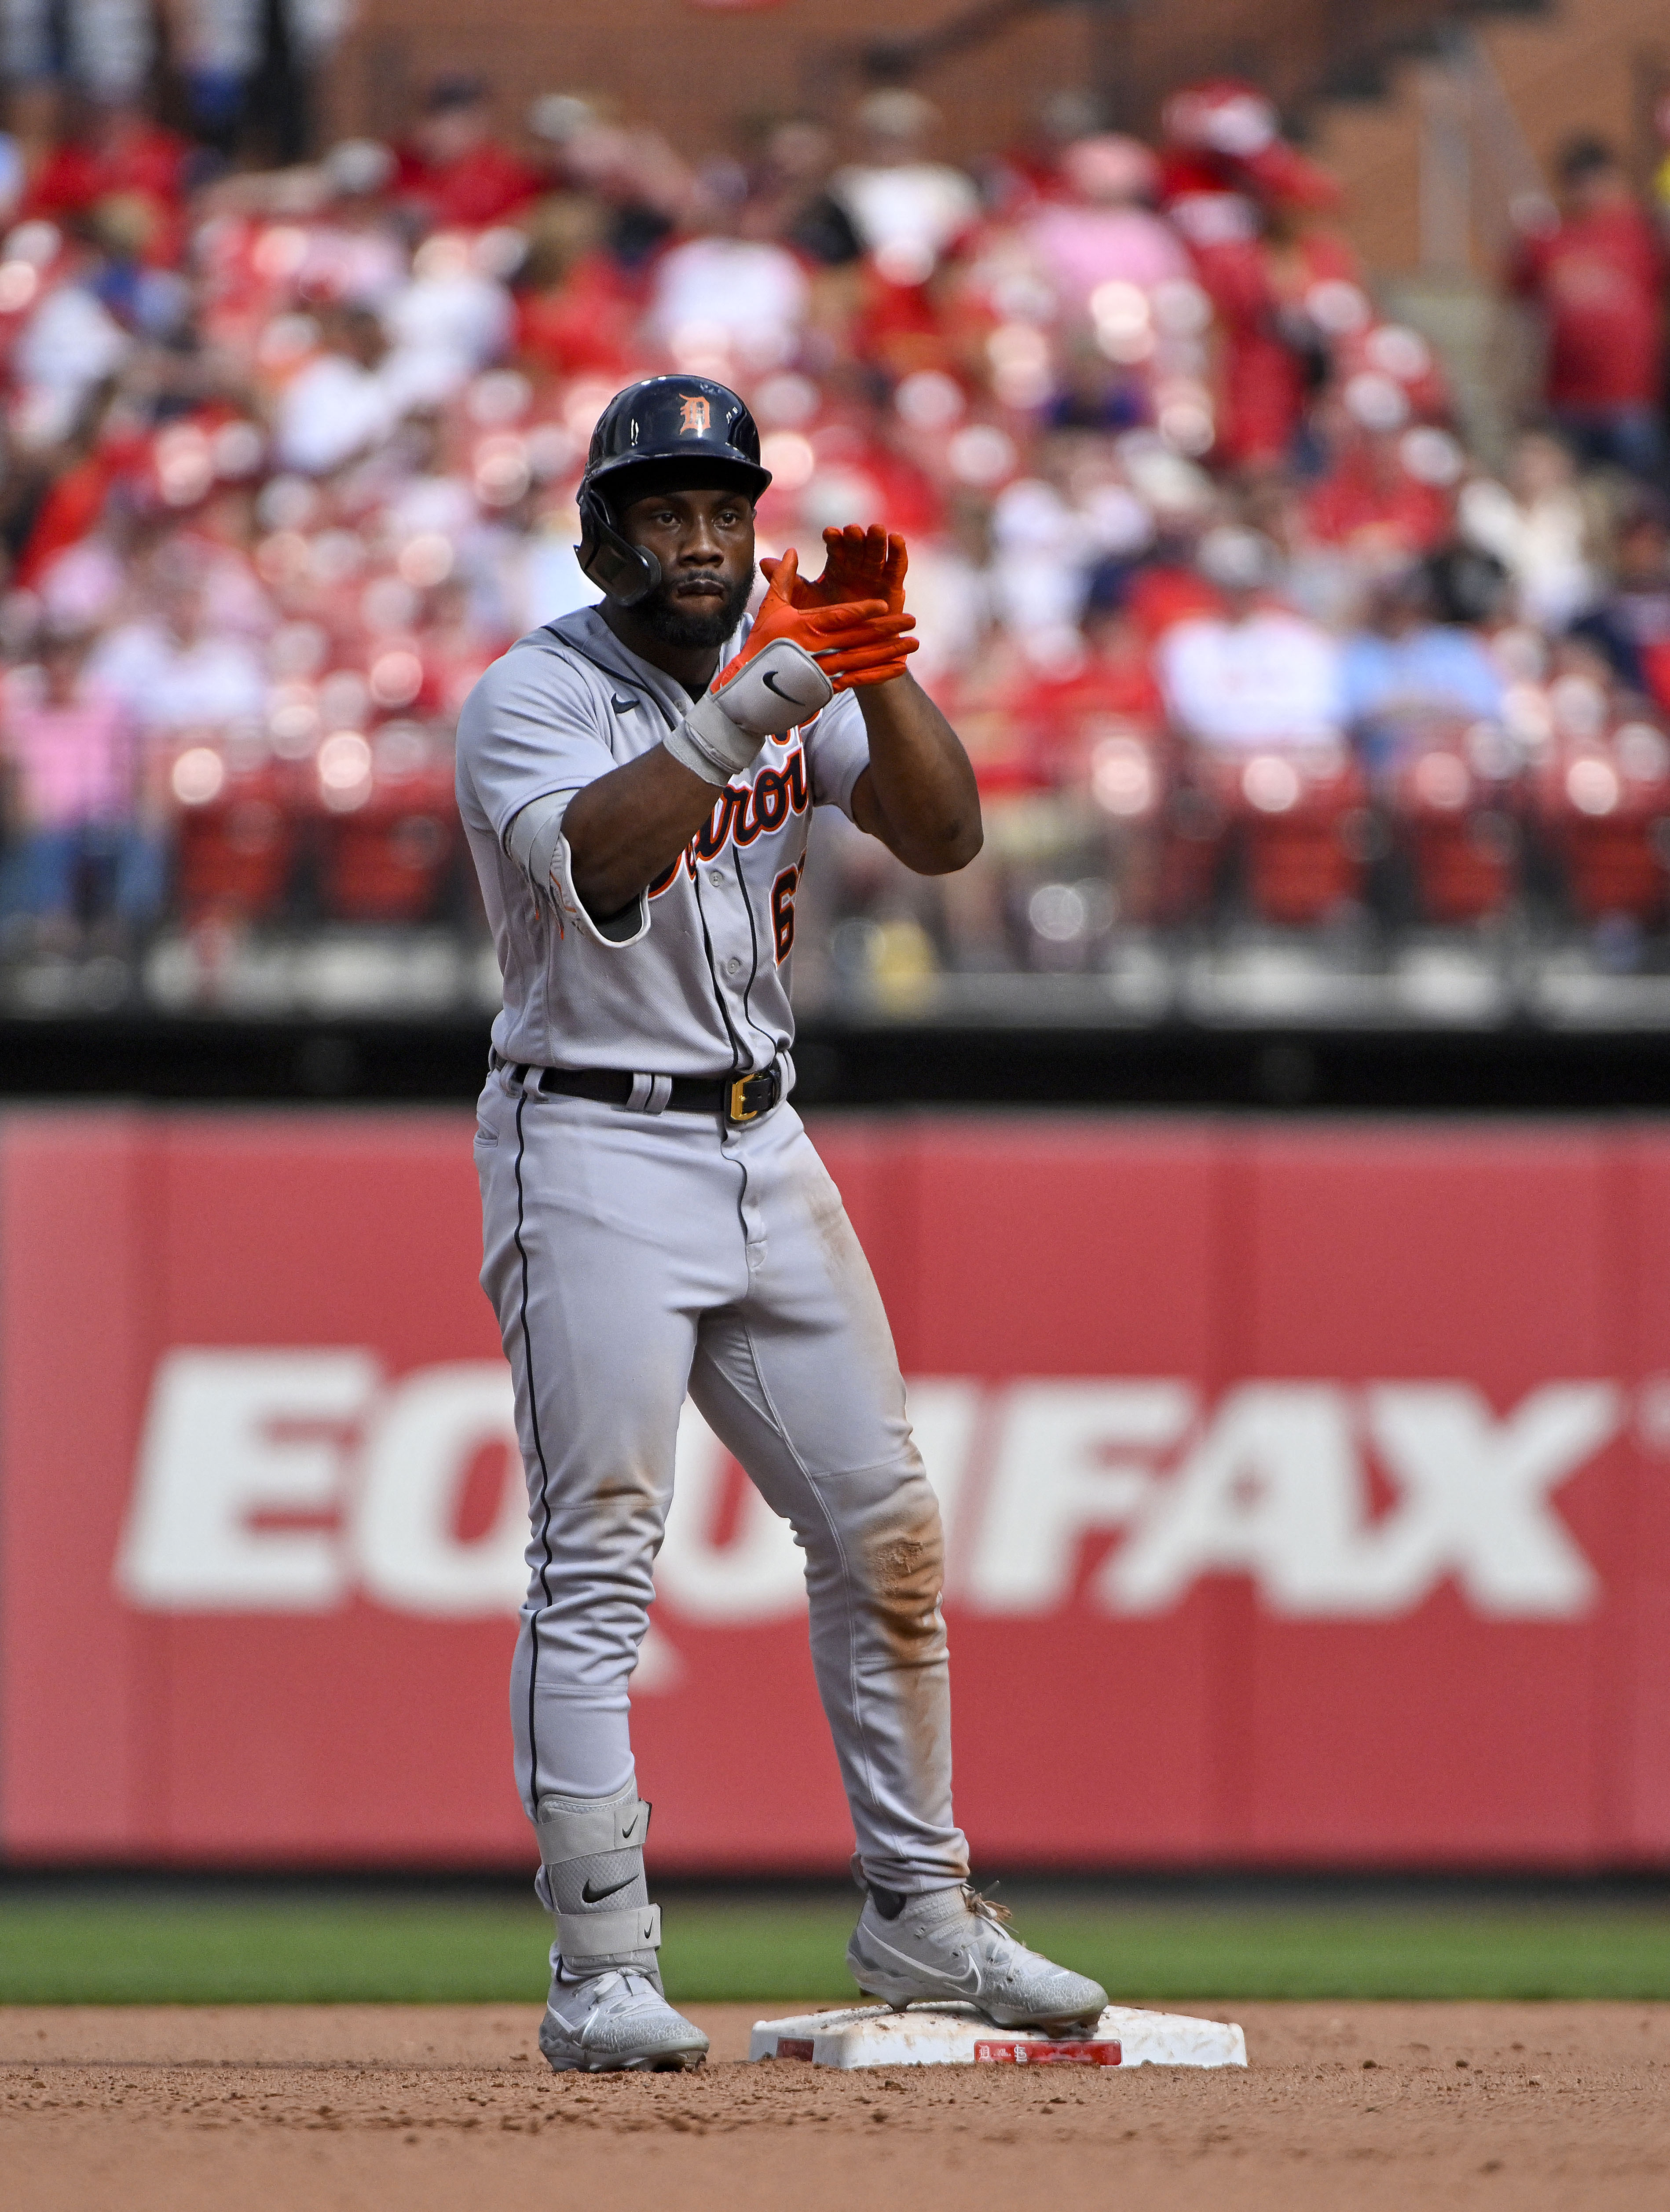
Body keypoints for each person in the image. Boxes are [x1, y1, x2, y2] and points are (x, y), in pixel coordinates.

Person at [455, 374, 1108, 2073]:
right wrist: (778, 692)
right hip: (587, 1141)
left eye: (721, 508)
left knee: (886, 1532)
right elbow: (604, 869)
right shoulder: (534, 695)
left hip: (763, 1137)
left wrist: (881, 674)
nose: (697, 538)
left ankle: (923, 1917)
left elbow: (948, 834)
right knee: (598, 1560)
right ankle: (601, 1964)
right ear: (599, 535)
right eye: (660, 510)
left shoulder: (791, 669)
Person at [1510, 136, 1666, 481]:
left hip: (1629, 398)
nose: (1588, 191)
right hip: (1566, 398)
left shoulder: (1641, 232)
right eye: (1578, 182)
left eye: (1595, 180)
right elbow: (1517, 307)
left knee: (1644, 500)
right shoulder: (1550, 240)